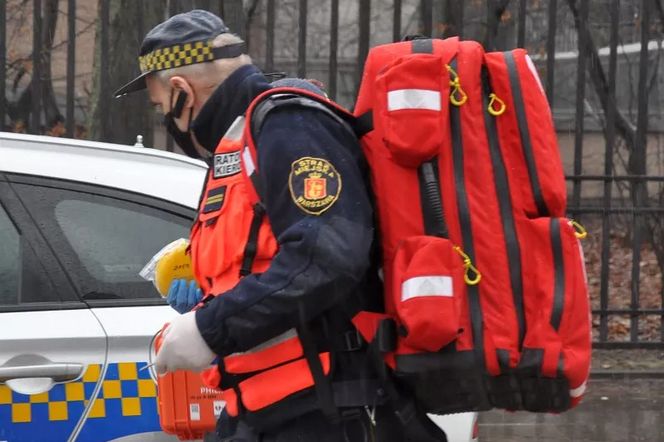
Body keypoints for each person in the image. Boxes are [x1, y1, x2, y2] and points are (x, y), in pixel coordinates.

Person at [115, 10, 445, 442]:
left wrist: (210, 328)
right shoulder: (241, 142)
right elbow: (265, 255)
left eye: (161, 107)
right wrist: (208, 296)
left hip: (326, 409)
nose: (167, 120)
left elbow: (324, 256)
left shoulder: (288, 125)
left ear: (181, 92)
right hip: (265, 412)